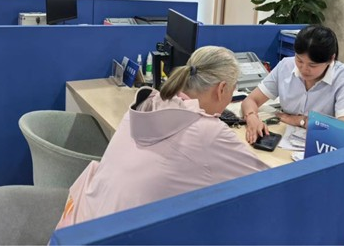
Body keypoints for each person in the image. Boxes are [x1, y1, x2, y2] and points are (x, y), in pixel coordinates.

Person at [55, 46, 269, 229]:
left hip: (78, 226)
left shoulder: (148, 102)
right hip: (114, 237)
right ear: (221, 89)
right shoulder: (207, 132)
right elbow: (269, 182)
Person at [241, 25, 344, 144]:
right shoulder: (285, 66)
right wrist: (252, 117)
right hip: (286, 138)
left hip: (322, 144)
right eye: (299, 60)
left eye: (312, 65)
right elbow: (251, 100)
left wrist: (300, 121)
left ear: (330, 59)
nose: (304, 69)